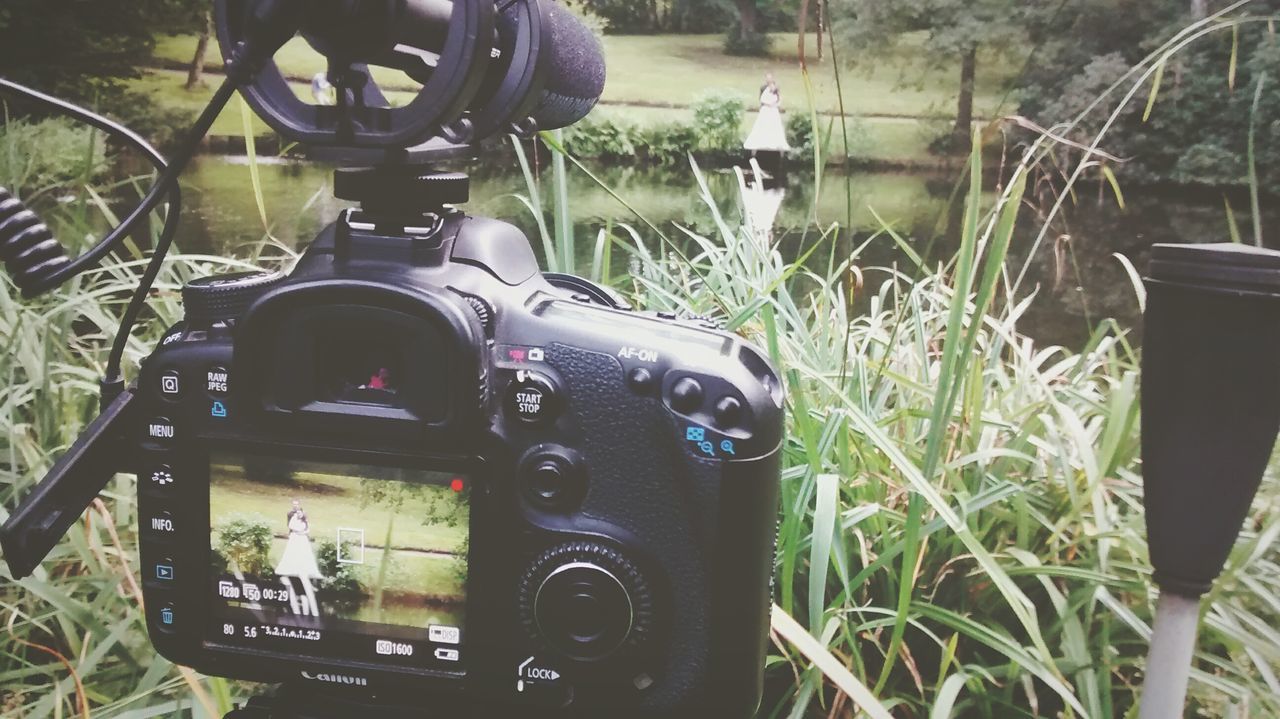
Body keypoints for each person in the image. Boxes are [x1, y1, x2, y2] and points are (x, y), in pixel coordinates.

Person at [276, 500, 323, 616]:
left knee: (304, 554)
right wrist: (298, 531)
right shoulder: (292, 517)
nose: (299, 514)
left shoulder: (304, 520)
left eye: (301, 513)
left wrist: (303, 532)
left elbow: (307, 529)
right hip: (295, 538)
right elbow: (291, 526)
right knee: (292, 552)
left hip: (302, 539)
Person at [744, 73, 791, 154]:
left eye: (770, 78)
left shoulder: (776, 88)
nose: (768, 80)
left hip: (773, 110)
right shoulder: (763, 88)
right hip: (765, 109)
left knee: (774, 125)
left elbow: (779, 98)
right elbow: (760, 98)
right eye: (767, 78)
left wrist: (774, 104)